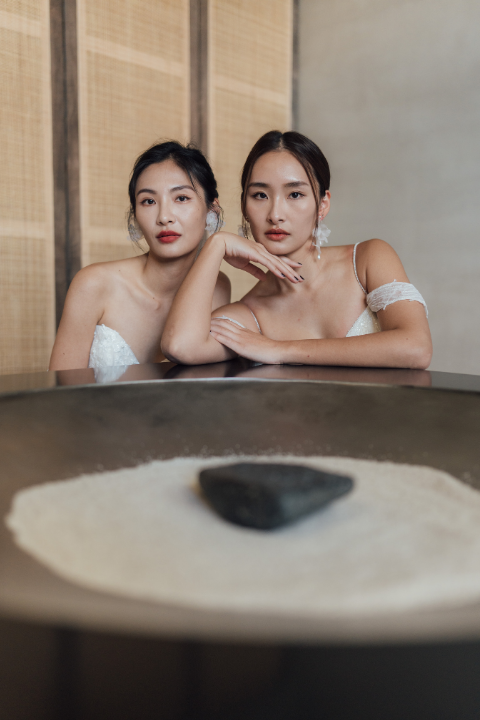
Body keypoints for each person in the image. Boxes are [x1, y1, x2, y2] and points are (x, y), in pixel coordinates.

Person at [162, 130, 432, 368]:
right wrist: (216, 245)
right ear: (244, 206)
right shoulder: (250, 313)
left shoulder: (367, 260)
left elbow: (416, 349)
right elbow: (180, 346)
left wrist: (280, 350)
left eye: (295, 194)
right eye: (260, 195)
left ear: (322, 204)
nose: (275, 214)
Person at [49, 141, 230, 371]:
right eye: (149, 201)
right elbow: (61, 389)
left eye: (181, 198)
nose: (164, 217)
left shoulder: (217, 286)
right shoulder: (93, 285)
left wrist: (218, 245)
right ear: (135, 215)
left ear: (211, 211)